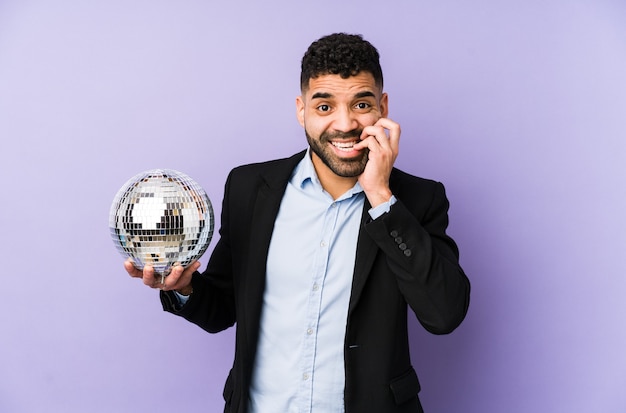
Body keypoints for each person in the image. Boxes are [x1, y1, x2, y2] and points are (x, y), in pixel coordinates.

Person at [125, 32, 470, 413]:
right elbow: (222, 308)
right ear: (301, 109)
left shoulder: (418, 200)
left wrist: (381, 198)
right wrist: (185, 287)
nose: (345, 124)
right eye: (324, 107)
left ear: (383, 107)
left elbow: (444, 314)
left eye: (361, 103)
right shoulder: (248, 188)